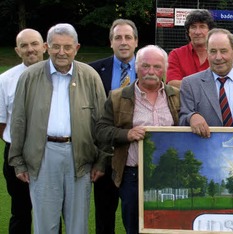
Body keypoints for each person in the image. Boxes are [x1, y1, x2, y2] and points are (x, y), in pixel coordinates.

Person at [8, 23, 108, 234]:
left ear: (77, 48)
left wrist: (101, 160)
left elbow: (101, 122)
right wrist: (17, 161)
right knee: (45, 225)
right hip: (42, 156)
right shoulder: (30, 76)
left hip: (80, 157)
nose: (61, 52)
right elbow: (18, 121)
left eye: (67, 47)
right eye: (55, 46)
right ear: (47, 46)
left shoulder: (90, 76)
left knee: (77, 225)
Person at [96, 45, 180, 234]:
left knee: (168, 227)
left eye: (157, 67)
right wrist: (126, 134)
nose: (151, 72)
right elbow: (101, 130)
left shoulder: (175, 96)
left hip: (167, 175)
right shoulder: (118, 97)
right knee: (134, 226)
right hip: (132, 175)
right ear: (136, 67)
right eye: (145, 66)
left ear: (165, 69)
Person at [88, 18, 139, 234]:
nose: (123, 42)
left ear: (136, 41)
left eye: (128, 37)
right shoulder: (93, 71)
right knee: (104, 215)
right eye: (118, 37)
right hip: (105, 155)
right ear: (111, 42)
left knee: (136, 218)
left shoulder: (149, 67)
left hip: (136, 156)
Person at [0, 28, 45, 234]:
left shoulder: (58, 76)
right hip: (16, 155)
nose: (30, 49)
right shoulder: (5, 80)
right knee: (20, 211)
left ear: (44, 46)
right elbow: (1, 123)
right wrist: (18, 146)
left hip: (50, 152)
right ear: (17, 51)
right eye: (24, 46)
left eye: (34, 44)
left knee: (50, 212)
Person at [181, 28, 233, 138]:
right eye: (213, 51)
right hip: (208, 150)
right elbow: (182, 119)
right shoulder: (190, 84)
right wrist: (191, 117)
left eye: (223, 51)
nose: (218, 57)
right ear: (207, 53)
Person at [167, 9, 215, 88]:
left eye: (202, 26)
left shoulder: (218, 55)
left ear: (210, 30)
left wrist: (187, 85)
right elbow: (172, 84)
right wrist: (207, 86)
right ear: (188, 31)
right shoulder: (176, 54)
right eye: (193, 27)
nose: (197, 32)